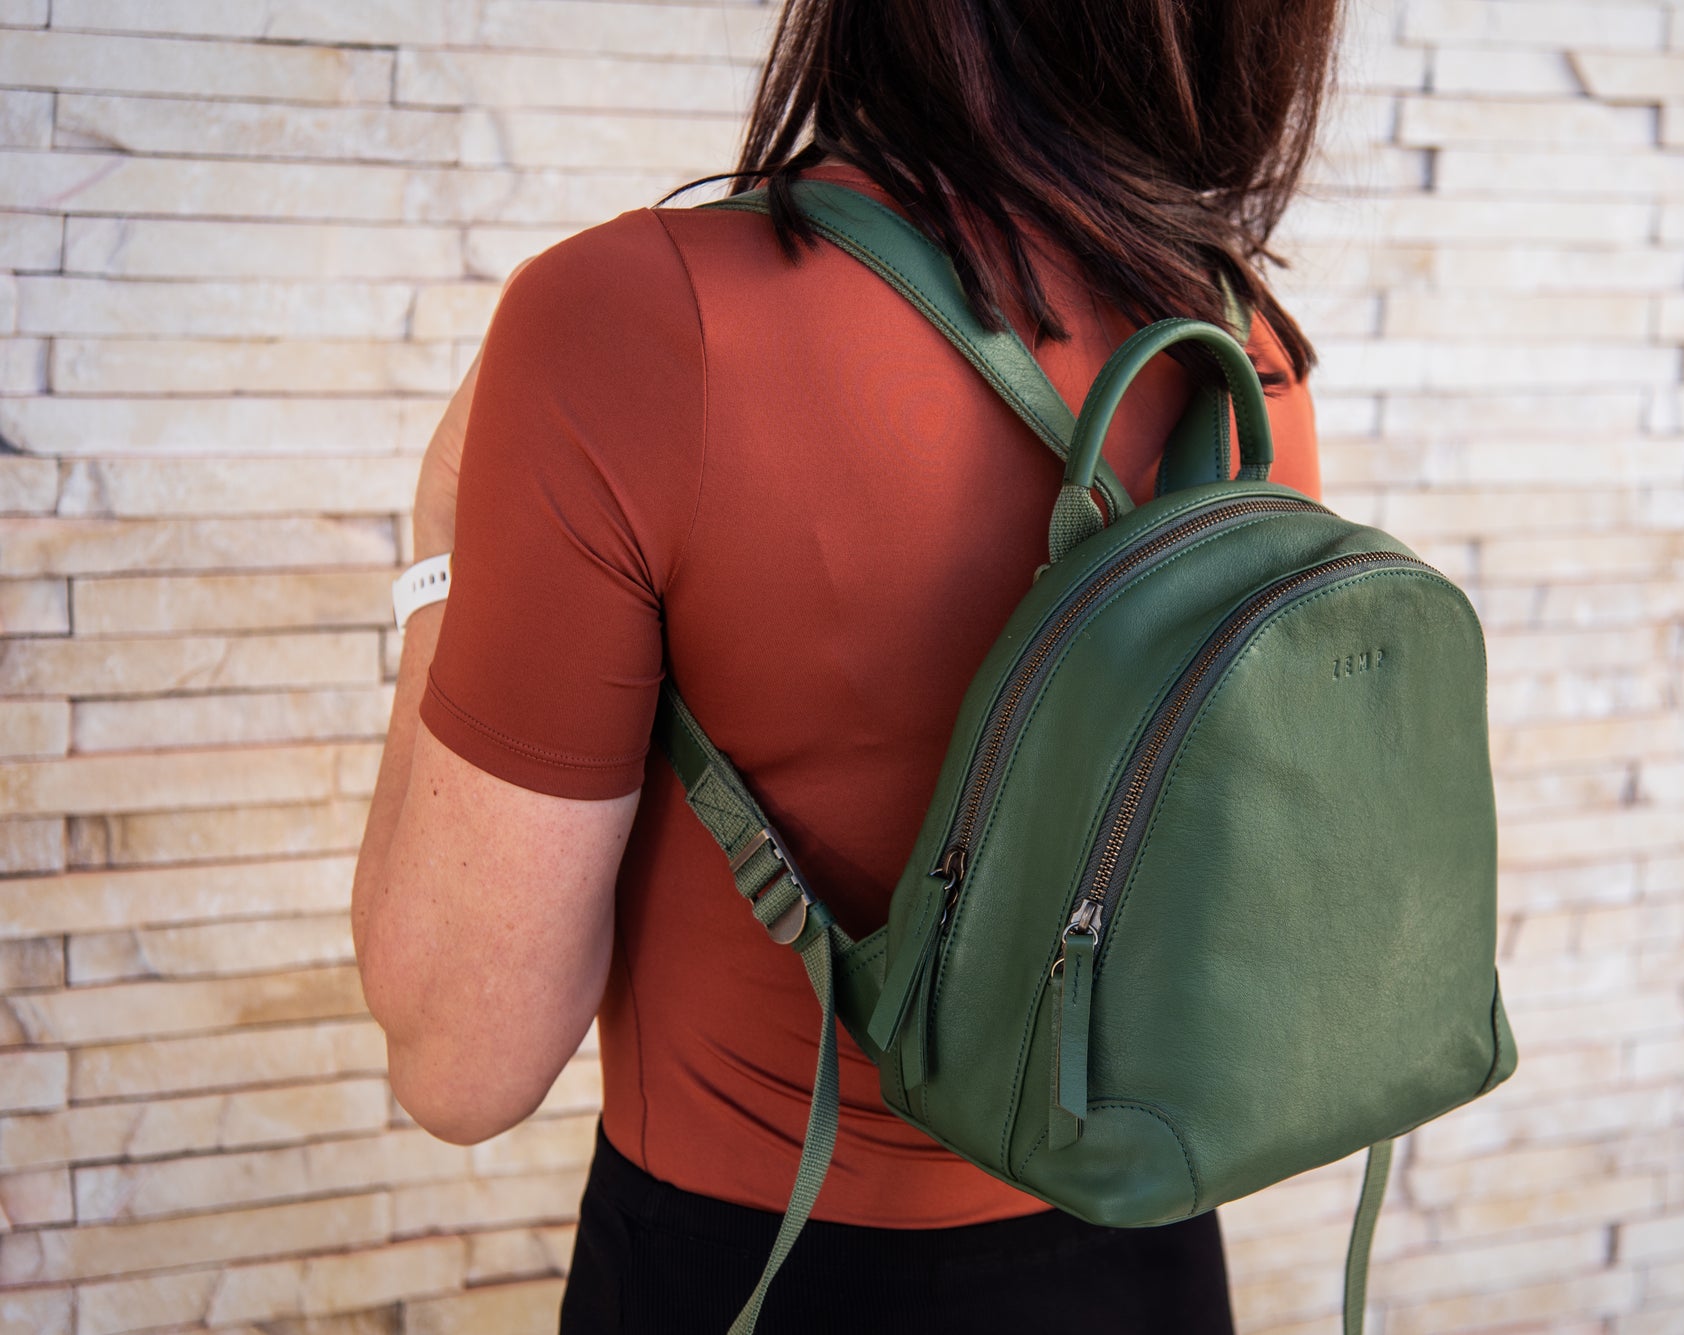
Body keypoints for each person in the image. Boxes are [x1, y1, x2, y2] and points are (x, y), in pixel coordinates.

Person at [352, 0, 1343, 1329]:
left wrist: (439, 538)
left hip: (747, 1282)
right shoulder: (1238, 355)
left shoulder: (630, 320)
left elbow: (461, 1064)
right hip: (1145, 1266)